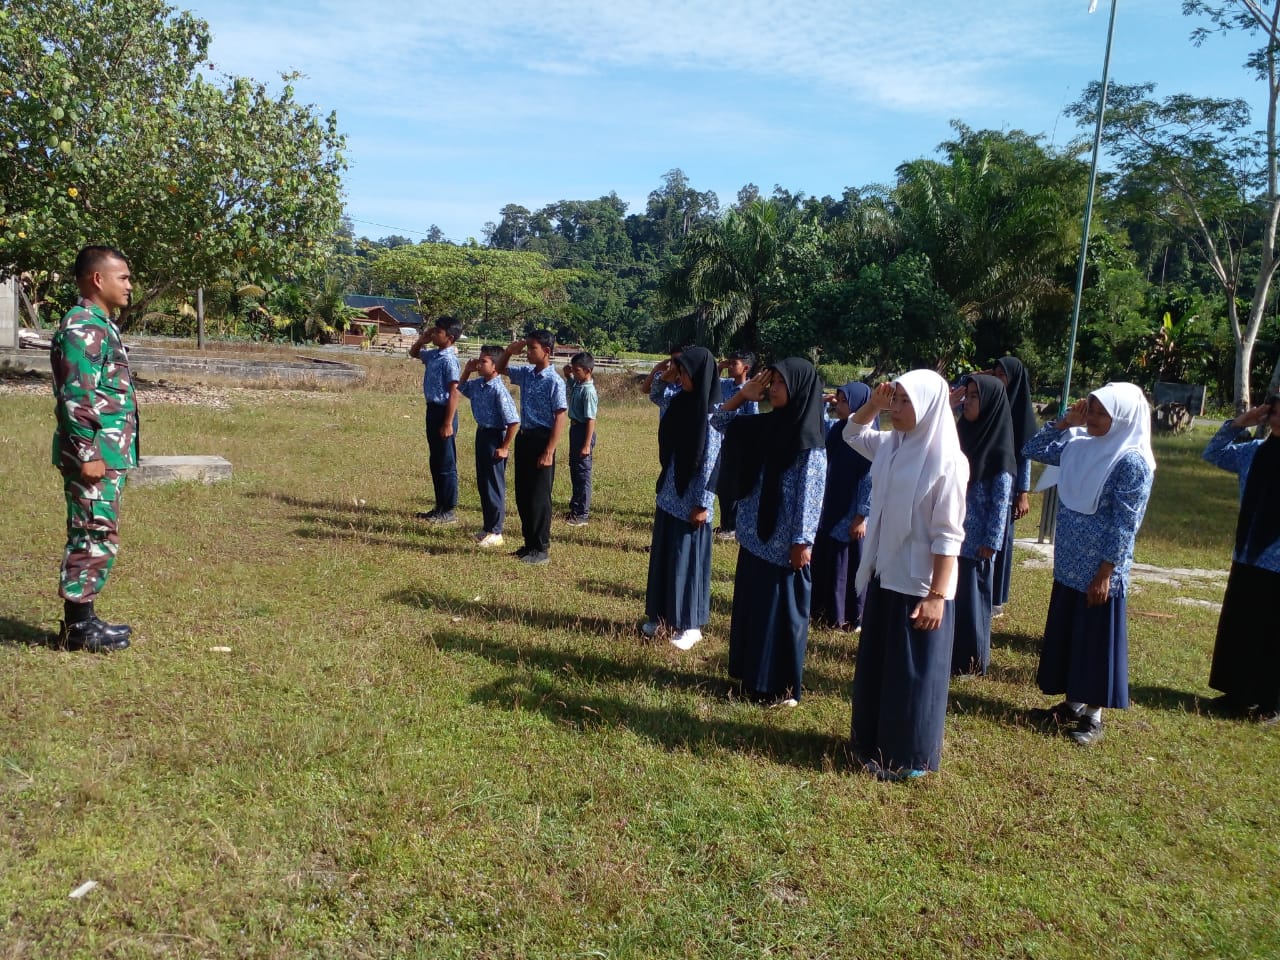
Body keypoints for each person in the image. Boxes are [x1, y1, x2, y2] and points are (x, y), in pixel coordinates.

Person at [844, 371, 968, 779]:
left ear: (930, 407)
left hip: (919, 585)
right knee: (882, 667)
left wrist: (937, 595)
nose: (895, 409)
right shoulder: (892, 445)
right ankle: (872, 743)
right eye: (893, 400)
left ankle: (909, 758)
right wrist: (873, 405)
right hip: (885, 572)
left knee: (912, 675)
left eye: (904, 402)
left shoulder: (947, 460)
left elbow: (948, 535)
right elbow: (852, 433)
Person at [1023, 383, 1155, 747]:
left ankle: (1093, 716)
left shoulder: (1131, 462)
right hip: (1069, 564)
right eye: (1090, 410)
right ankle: (1071, 703)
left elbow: (1125, 525)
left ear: (1123, 418)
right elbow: (1031, 449)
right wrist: (1065, 423)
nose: (1093, 419)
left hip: (1100, 570)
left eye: (1101, 413)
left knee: (1096, 641)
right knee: (1071, 634)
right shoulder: (1079, 445)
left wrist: (1105, 574)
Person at [713, 359, 826, 705]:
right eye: (771, 381)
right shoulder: (764, 425)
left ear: (800, 389)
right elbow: (718, 422)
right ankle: (751, 677)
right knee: (754, 610)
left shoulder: (809, 442)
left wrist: (802, 541)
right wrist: (742, 395)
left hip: (784, 545)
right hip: (754, 535)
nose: (773, 388)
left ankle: (779, 687)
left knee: (779, 614)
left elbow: (810, 495)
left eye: (780, 383)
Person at [51, 245, 140, 653]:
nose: (129, 285)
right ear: (98, 279)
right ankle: (78, 629)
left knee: (98, 531)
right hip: (94, 455)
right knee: (90, 532)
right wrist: (88, 453)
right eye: (123, 277)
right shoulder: (82, 327)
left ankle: (84, 619)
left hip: (107, 453)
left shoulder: (100, 325)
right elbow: (76, 396)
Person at [1201, 395, 1280, 723]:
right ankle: (1236, 694)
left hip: (1277, 560)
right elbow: (1213, 453)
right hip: (1247, 553)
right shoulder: (1253, 451)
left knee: (1273, 633)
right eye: (1276, 412)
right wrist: (1238, 424)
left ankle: (1271, 703)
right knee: (1242, 626)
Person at [642, 346, 723, 650]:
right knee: (665, 556)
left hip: (692, 500)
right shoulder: (680, 400)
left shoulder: (712, 413)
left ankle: (690, 624)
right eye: (681, 371)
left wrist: (703, 504)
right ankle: (661, 614)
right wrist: (670, 372)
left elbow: (712, 463)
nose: (682, 377)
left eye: (686, 372)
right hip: (670, 492)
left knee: (687, 561)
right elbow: (655, 394)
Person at [951, 375, 1015, 676]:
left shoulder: (998, 451)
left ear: (990, 403)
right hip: (952, 533)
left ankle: (972, 662)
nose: (968, 401)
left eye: (975, 397)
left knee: (973, 600)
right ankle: (951, 654)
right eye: (968, 395)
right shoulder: (960, 435)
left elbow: (1001, 502)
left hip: (976, 542)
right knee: (953, 597)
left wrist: (991, 540)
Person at [496, 330, 568, 565]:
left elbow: (560, 416)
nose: (527, 352)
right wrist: (509, 351)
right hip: (525, 437)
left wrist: (549, 450)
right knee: (523, 493)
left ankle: (541, 547)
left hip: (542, 439)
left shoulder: (554, 381)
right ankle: (529, 543)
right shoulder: (527, 374)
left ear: (546, 351)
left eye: (532, 348)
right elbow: (500, 369)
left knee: (539, 496)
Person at [810, 382, 873, 632]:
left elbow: (869, 479)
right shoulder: (838, 429)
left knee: (846, 563)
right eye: (838, 399)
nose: (839, 404)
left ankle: (848, 615)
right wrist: (821, 403)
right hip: (832, 504)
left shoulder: (866, 436)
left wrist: (862, 515)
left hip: (851, 509)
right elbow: (817, 427)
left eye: (844, 401)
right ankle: (825, 609)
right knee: (828, 559)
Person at [458, 345, 521, 548]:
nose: (479, 364)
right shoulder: (479, 384)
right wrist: (466, 371)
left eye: (483, 361)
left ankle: (496, 531)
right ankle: (487, 527)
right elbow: (461, 388)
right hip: (482, 434)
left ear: (495, 366)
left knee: (494, 484)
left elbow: (513, 421)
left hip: (496, 436)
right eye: (479, 360)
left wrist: (504, 446)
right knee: (484, 482)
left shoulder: (498, 390)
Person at [989, 356, 1037, 615]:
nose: (998, 379)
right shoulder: (989, 401)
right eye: (994, 374)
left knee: (1001, 538)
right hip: (983, 481)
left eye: (1002, 375)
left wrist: (1023, 493)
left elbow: (1024, 453)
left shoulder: (1019, 410)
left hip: (1008, 488)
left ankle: (995, 597)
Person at [409, 317, 463, 524]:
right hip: (432, 410)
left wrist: (448, 422)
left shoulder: (449, 360)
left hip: (444, 412)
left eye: (438, 332)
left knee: (446, 462)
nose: (433, 334)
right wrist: (422, 340)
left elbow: (454, 392)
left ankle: (448, 510)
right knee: (436, 460)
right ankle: (439, 506)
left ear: (450, 338)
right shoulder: (434, 355)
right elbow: (414, 353)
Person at [713, 350, 758, 542]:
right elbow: (711, 383)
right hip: (723, 442)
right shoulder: (726, 385)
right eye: (729, 363)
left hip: (740, 445)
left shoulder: (751, 390)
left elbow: (753, 421)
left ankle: (732, 527)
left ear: (746, 368)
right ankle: (725, 524)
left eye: (734, 364)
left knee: (734, 486)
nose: (730, 366)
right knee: (723, 485)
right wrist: (719, 367)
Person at [563, 352, 598, 527]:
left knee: (583, 473)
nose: (574, 373)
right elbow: (571, 387)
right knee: (575, 470)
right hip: (575, 429)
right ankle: (575, 508)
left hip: (584, 431)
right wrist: (568, 375)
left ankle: (582, 514)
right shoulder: (578, 384)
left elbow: (591, 419)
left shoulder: (589, 391)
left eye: (577, 370)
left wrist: (586, 444)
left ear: (588, 371)